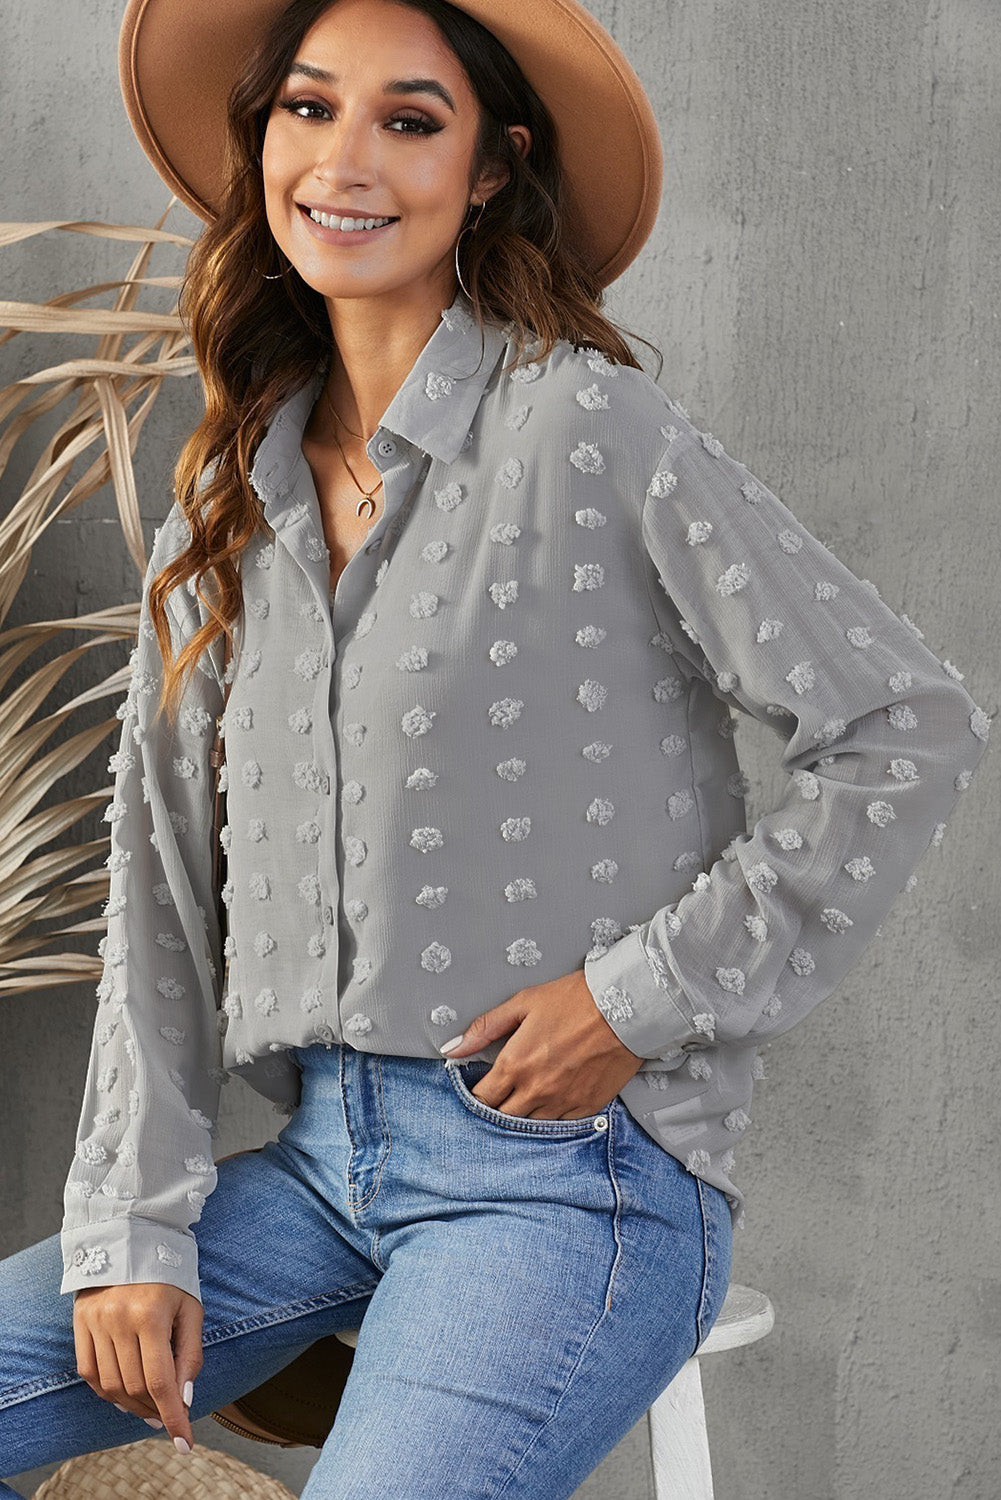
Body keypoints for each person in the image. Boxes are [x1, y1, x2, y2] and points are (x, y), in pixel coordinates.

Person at [0, 0, 988, 1494]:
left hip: (575, 1184)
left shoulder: (586, 426)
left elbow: (903, 724)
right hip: (317, 1166)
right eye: (307, 109)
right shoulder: (227, 491)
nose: (344, 160)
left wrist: (635, 1000)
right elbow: (161, 885)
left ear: (489, 170)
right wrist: (131, 1227)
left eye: (409, 121)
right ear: (262, 143)